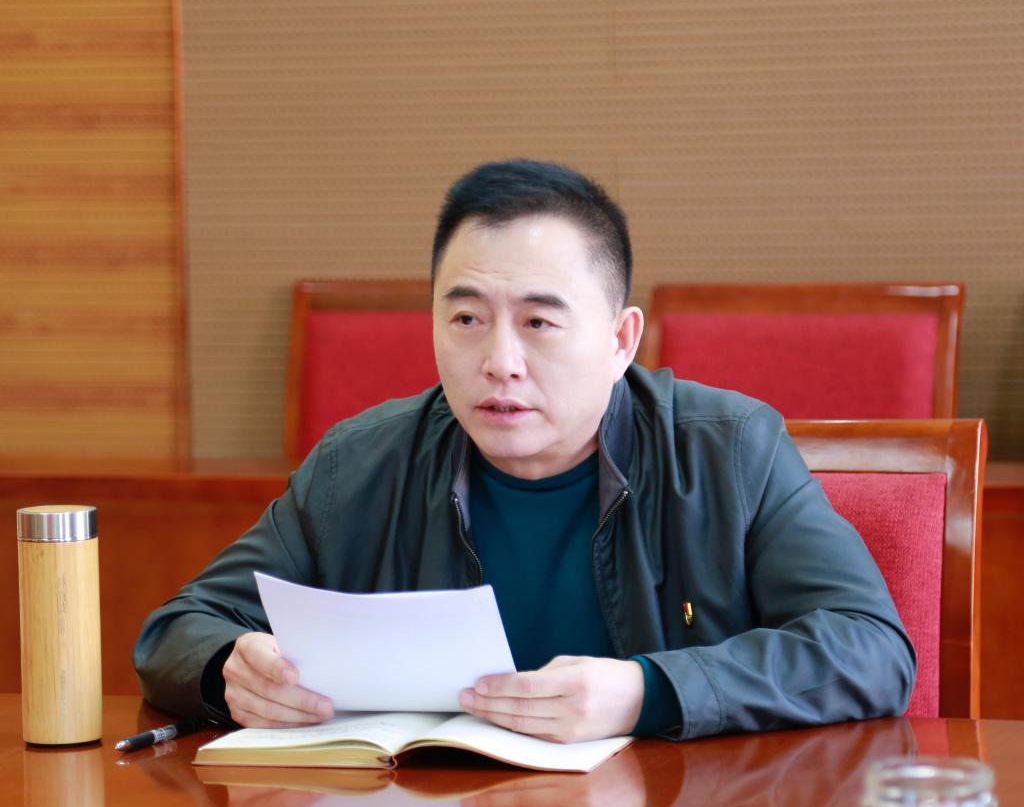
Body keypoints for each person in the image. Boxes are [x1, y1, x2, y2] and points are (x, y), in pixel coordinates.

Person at [134, 159, 914, 742]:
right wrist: (228, 667)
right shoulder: (358, 468)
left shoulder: (729, 451)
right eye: (466, 319)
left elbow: (872, 648)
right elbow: (178, 627)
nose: (499, 361)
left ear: (620, 340)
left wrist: (648, 691)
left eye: (539, 323)